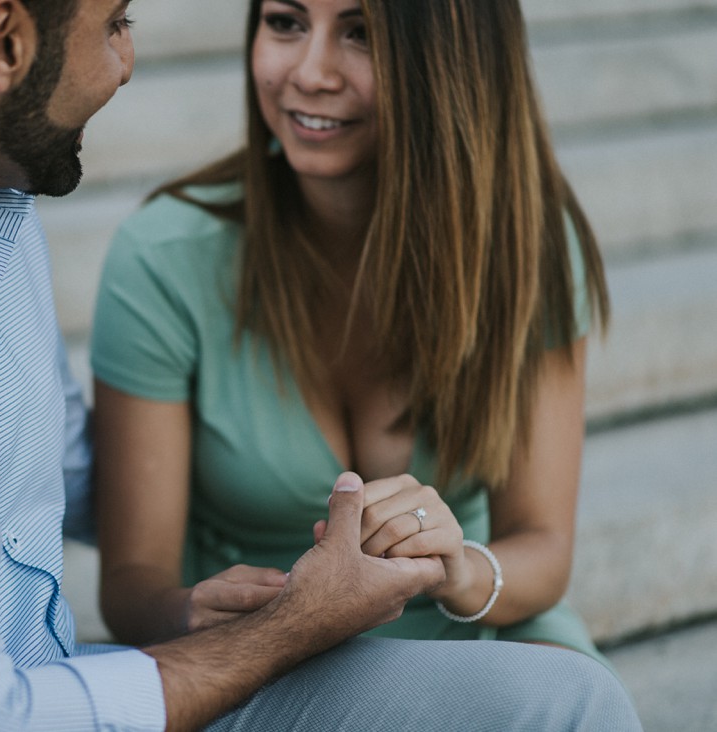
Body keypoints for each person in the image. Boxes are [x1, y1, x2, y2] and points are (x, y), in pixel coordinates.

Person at [0, 0, 641, 729]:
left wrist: (266, 582)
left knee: (563, 700)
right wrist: (281, 628)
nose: (125, 61)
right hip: (1, 714)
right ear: (3, 39)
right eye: (114, 22)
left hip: (62, 689)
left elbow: (62, 469)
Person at [92, 0, 617, 669]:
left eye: (361, 33)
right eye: (285, 22)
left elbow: (541, 547)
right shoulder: (162, 257)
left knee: (575, 703)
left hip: (473, 627)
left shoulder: (527, 245)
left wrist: (456, 570)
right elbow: (132, 586)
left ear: (454, 61)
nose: (310, 73)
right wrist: (191, 609)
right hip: (263, 656)